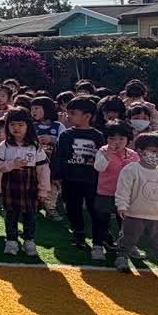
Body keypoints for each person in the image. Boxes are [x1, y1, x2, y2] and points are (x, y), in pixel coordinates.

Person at [114, 133, 158, 281]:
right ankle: (122, 256)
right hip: (134, 214)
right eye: (153, 151)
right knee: (128, 238)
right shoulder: (131, 170)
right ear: (140, 151)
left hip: (157, 216)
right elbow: (123, 190)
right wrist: (122, 206)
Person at [0, 108, 51, 257]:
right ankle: (11, 241)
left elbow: (43, 169)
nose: (16, 128)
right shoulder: (5, 145)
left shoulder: (35, 146)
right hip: (11, 186)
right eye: (12, 124)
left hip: (30, 187)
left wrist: (43, 190)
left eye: (20, 124)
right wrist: (11, 164)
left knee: (30, 216)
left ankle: (29, 241)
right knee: (11, 215)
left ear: (28, 126)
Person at [54, 96, 106, 258]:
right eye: (67, 112)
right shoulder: (65, 135)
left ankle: (99, 241)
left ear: (87, 116)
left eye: (73, 113)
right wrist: (56, 175)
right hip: (70, 179)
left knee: (95, 210)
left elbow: (103, 157)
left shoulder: (98, 136)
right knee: (72, 208)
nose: (68, 116)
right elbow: (58, 156)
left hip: (92, 180)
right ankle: (78, 233)